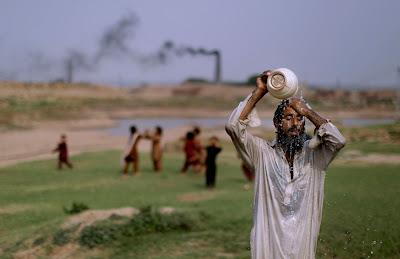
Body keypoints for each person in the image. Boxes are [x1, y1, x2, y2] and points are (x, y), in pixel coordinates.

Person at [225, 71, 346, 259]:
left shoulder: (315, 155)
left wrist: (306, 110)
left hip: (302, 249)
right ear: (276, 122)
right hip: (267, 249)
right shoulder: (263, 154)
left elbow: (338, 141)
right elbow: (233, 127)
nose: (295, 123)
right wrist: (260, 92)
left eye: (299, 119)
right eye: (288, 118)